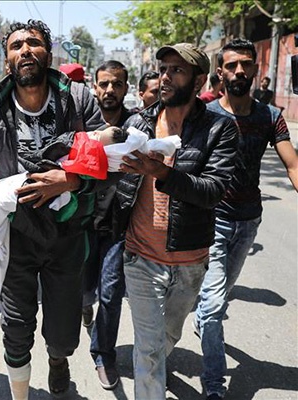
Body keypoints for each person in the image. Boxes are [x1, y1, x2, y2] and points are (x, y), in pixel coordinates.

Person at [0, 19, 108, 399]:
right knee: (16, 327)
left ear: (48, 55)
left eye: (34, 43)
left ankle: (58, 359)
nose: (25, 49)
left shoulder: (78, 100)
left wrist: (71, 181)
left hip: (68, 234)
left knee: (63, 335)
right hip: (16, 236)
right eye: (16, 45)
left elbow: (108, 161)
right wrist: (7, 198)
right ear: (7, 60)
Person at [115, 42, 237, 399]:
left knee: (167, 337)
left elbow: (213, 190)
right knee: (149, 349)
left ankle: (154, 371)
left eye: (177, 70)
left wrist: (160, 171)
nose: (165, 77)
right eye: (164, 69)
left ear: (199, 80)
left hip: (190, 260)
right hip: (140, 256)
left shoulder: (220, 129)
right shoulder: (138, 122)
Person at [195, 38, 298, 400]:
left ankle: (205, 323)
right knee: (213, 305)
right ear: (220, 72)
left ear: (255, 69)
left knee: (218, 298)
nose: (239, 71)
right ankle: (213, 383)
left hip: (249, 221)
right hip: (212, 220)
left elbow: (293, 164)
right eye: (232, 65)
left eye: (246, 65)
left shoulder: (269, 116)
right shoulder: (205, 114)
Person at [85, 60, 135, 390]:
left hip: (119, 226)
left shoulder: (136, 127)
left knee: (111, 292)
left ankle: (104, 354)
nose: (109, 90)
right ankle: (84, 309)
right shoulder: (82, 122)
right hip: (81, 223)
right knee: (83, 290)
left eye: (116, 84)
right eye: (104, 84)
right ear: (95, 87)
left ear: (125, 88)